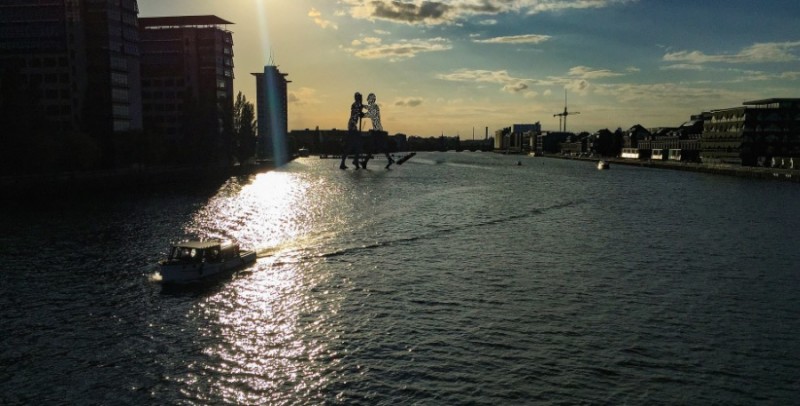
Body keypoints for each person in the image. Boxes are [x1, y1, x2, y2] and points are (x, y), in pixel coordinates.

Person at [362, 93, 394, 169]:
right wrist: (362, 106)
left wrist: (362, 114)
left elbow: (370, 114)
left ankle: (365, 162)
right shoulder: (373, 107)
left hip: (378, 131)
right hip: (377, 130)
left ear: (372, 100)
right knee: (377, 147)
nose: (368, 101)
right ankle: (389, 159)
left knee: (374, 147)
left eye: (369, 99)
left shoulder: (375, 107)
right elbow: (368, 108)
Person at [340, 92, 364, 169]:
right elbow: (356, 113)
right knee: (352, 146)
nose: (361, 99)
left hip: (353, 125)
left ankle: (354, 161)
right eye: (360, 98)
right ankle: (350, 162)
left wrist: (361, 112)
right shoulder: (356, 104)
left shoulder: (357, 104)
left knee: (356, 145)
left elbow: (358, 113)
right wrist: (361, 112)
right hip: (352, 125)